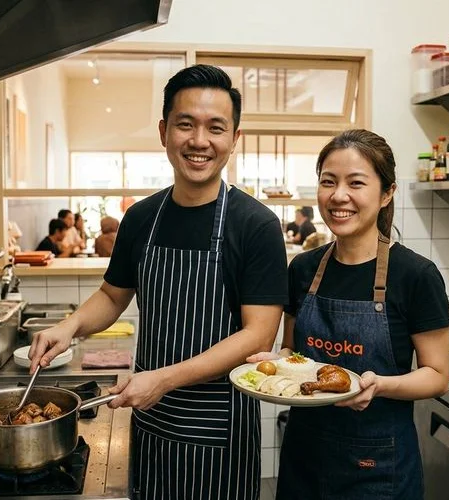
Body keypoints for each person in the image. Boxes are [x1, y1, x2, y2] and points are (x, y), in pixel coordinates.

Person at [29, 64, 288, 499]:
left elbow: (258, 333)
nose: (199, 141)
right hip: (149, 417)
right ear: (164, 130)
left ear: (234, 139)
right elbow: (113, 294)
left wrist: (165, 379)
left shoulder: (256, 224)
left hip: (219, 424)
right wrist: (69, 327)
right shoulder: (141, 218)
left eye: (215, 128)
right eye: (186, 124)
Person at [249, 129, 449, 500]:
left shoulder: (415, 276)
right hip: (304, 456)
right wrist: (273, 364)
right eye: (329, 182)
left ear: (387, 193)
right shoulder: (304, 269)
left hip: (378, 464)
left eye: (355, 183)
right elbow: (292, 349)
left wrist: (380, 385)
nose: (338, 196)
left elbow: (437, 376)